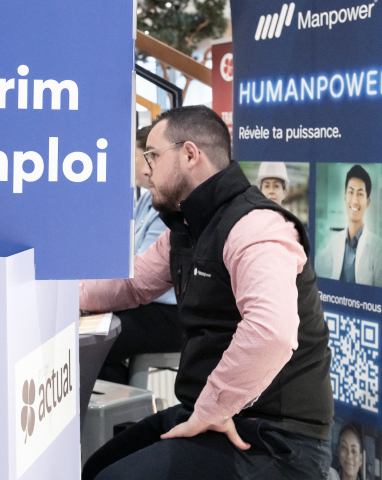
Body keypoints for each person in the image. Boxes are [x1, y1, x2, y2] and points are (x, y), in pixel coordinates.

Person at [80, 105, 333, 480]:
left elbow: (271, 332)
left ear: (189, 154)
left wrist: (213, 407)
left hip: (276, 437)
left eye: (152, 155)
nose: (145, 169)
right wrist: (63, 297)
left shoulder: (254, 227)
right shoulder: (189, 226)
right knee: (96, 467)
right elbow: (134, 284)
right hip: (214, 412)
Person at [97, 126, 182, 384]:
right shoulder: (147, 200)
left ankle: (121, 419)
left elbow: (140, 273)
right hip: (147, 304)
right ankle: (120, 415)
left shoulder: (167, 206)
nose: (140, 168)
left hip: (167, 313)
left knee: (98, 343)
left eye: (137, 157)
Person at [316, 164, 382, 287]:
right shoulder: (334, 242)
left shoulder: (378, 248)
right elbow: (316, 270)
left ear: (367, 202)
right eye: (351, 192)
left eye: (360, 194)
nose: (354, 200)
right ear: (345, 197)